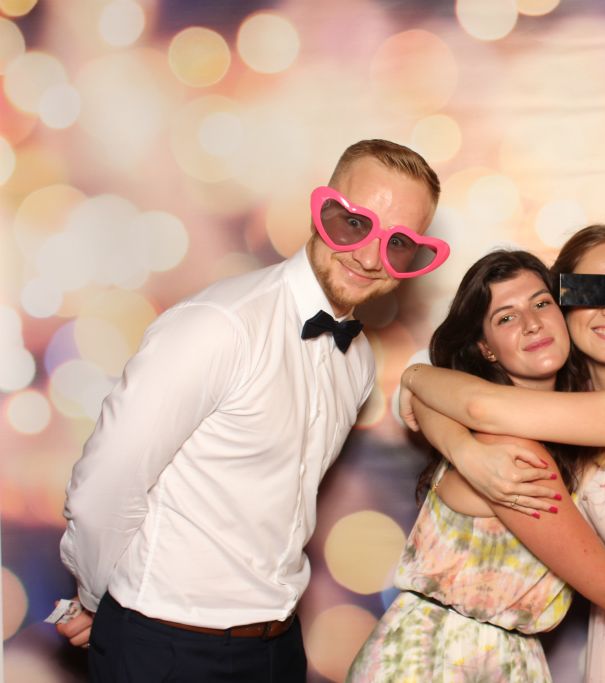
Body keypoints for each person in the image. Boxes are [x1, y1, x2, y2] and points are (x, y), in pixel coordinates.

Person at [55, 139, 451, 682]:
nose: (367, 257)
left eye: (398, 243)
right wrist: (99, 601)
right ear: (320, 210)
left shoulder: (357, 360)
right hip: (167, 647)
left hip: (278, 647)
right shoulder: (218, 326)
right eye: (355, 224)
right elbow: (105, 485)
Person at [348, 248, 605, 682]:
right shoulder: (508, 448)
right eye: (506, 317)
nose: (531, 323)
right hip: (440, 662)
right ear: (485, 348)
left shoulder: (572, 425)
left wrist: (421, 387)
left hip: (503, 657)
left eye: (541, 303)